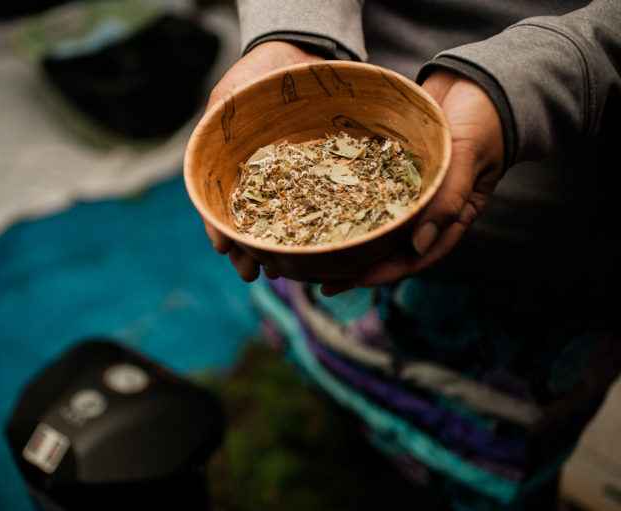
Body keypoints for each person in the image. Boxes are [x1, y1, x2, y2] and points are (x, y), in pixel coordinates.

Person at [193, 1, 621, 509]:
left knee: (485, 464)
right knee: (340, 377)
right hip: (342, 179)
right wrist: (294, 31)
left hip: (545, 254)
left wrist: (532, 79)